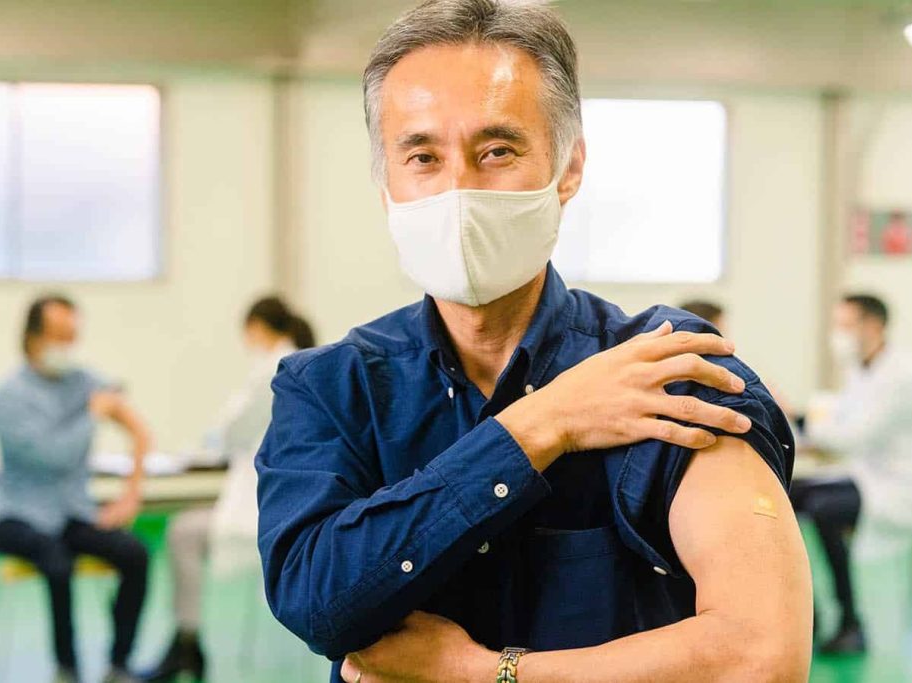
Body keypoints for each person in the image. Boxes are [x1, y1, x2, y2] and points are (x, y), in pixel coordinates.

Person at [256, 2, 812, 682]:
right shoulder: (332, 388)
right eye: (423, 156)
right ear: (386, 186)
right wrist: (541, 424)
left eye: (497, 151)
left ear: (568, 168)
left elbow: (761, 655)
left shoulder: (665, 370)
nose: (459, 190)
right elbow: (317, 605)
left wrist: (486, 673)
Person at [144, 297, 317, 682]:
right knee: (190, 528)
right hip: (291, 506)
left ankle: (186, 642)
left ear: (256, 328)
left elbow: (231, 432)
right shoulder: (304, 364)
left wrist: (207, 444)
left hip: (263, 512)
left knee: (181, 532)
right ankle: (186, 643)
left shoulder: (272, 369)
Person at [0, 294, 152, 683]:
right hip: (19, 515)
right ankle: (68, 668)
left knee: (134, 553)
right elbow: (54, 457)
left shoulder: (84, 382)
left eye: (72, 335)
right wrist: (92, 415)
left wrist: (131, 495)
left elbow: (140, 431)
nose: (67, 345)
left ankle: (119, 664)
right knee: (56, 561)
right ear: (32, 337)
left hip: (72, 512)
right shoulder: (8, 396)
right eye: (59, 335)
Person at [802, 294, 912, 653]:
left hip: (903, 489)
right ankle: (807, 614)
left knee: (824, 510)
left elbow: (853, 437)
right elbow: (839, 421)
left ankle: (850, 622)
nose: (838, 334)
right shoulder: (861, 369)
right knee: (792, 493)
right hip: (868, 476)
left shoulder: (903, 376)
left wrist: (804, 424)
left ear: (873, 326)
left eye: (845, 325)